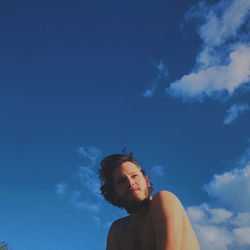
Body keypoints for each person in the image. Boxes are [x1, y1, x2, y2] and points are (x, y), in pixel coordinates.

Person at [99, 153, 200, 250]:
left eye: (134, 176)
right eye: (122, 180)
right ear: (115, 192)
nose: (130, 183)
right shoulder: (118, 230)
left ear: (146, 181)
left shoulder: (163, 199)